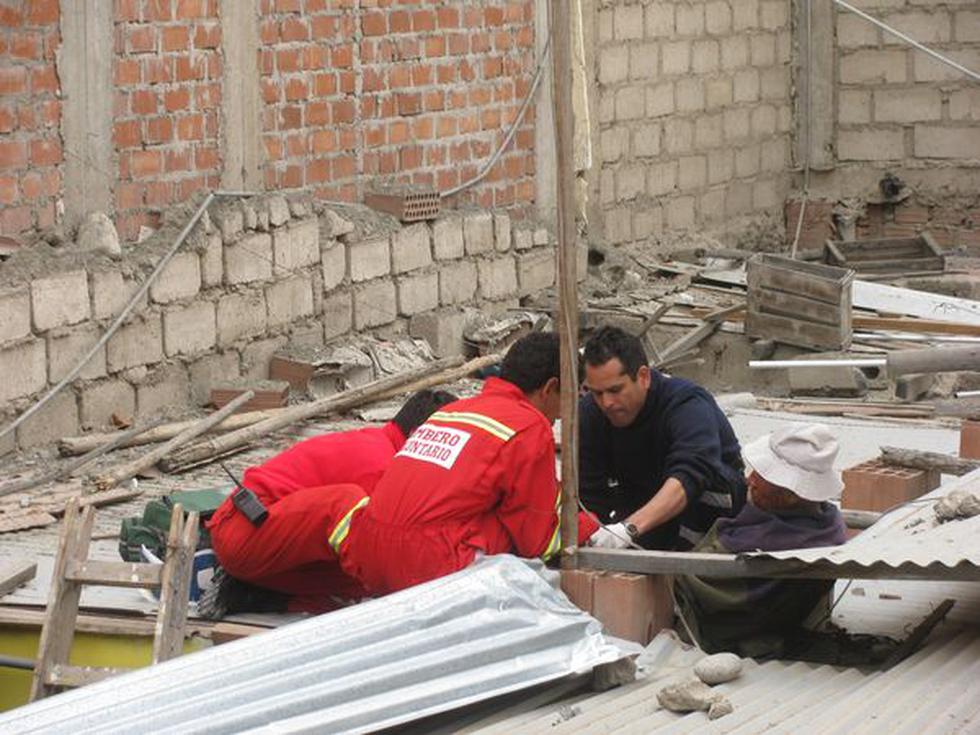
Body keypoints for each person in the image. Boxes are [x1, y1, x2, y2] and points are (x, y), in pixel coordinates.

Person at [335, 332, 600, 596]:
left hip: (368, 553)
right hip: (430, 563)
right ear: (550, 388)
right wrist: (591, 527)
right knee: (511, 528)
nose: (566, 413)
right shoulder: (529, 426)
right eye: (570, 397)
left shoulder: (451, 411)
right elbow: (536, 540)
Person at [201, 388, 455, 617]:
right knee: (377, 555)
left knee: (369, 571)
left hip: (261, 537)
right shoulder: (379, 466)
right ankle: (249, 586)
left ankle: (256, 594)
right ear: (417, 436)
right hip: (244, 533)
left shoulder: (379, 449)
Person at [673, 424, 858, 662]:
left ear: (791, 495)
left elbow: (689, 583)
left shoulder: (778, 546)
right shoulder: (826, 521)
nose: (750, 480)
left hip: (745, 630)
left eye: (763, 476)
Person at [579, 325, 746, 551]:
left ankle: (686, 569)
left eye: (616, 390)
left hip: (709, 507)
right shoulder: (591, 413)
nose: (606, 403)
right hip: (644, 504)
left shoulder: (686, 404)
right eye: (597, 393)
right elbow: (590, 494)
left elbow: (692, 473)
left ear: (644, 377)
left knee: (705, 484)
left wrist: (628, 529)